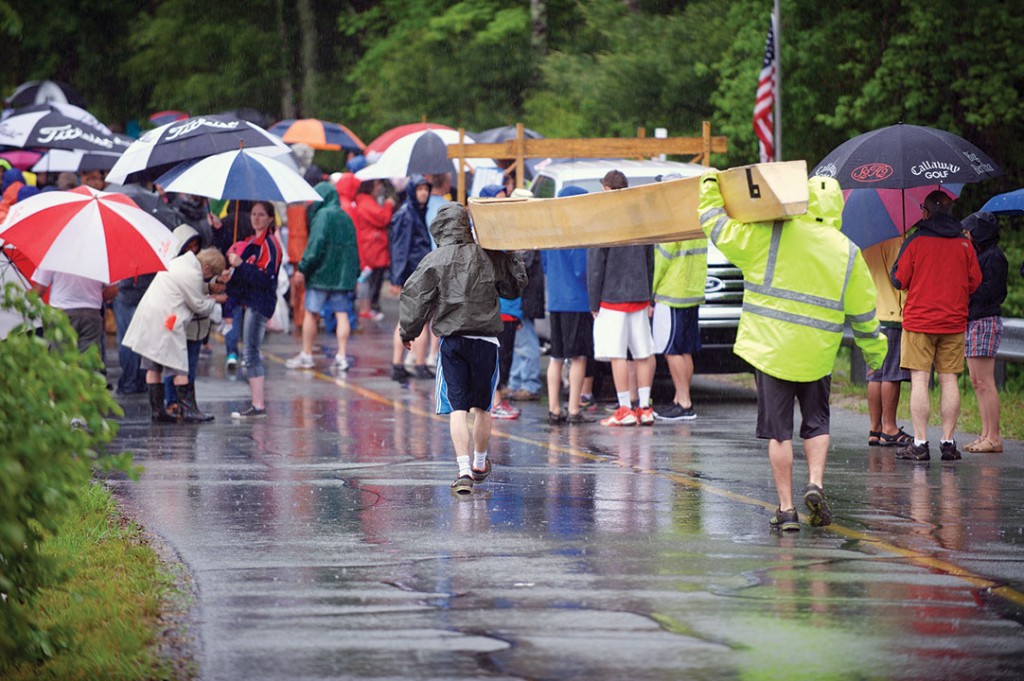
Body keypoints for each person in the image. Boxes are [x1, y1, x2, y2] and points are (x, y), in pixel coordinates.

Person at [699, 173, 887, 531]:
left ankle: (786, 509)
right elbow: (864, 314)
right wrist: (876, 356)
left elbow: (717, 227)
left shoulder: (771, 233)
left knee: (779, 432)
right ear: (837, 207)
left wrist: (709, 186)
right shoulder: (847, 251)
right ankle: (815, 482)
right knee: (816, 423)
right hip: (817, 355)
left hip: (772, 350)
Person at [398, 203, 526, 494]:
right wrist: (512, 255)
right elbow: (513, 288)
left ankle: (463, 471)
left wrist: (409, 331)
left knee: (457, 407)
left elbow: (415, 297)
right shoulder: (489, 255)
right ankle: (481, 462)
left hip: (452, 340)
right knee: (483, 406)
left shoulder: (435, 259)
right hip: (486, 340)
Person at [890, 191, 981, 462]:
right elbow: (975, 281)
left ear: (925, 212)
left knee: (920, 380)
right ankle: (948, 442)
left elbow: (899, 280)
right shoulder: (965, 243)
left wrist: (904, 250)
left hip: (919, 322)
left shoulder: (915, 241)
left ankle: (919, 443)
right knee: (949, 379)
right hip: (953, 322)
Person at [122, 245, 225, 423]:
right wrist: (214, 301)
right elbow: (198, 305)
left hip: (150, 315)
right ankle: (188, 411)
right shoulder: (192, 273)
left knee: (153, 366)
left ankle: (157, 411)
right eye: (210, 274)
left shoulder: (179, 262)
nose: (207, 277)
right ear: (207, 268)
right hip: (167, 321)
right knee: (179, 367)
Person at [588, 170, 657, 427]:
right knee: (643, 352)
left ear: (606, 189)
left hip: (611, 296)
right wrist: (649, 294)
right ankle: (646, 407)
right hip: (639, 293)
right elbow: (651, 260)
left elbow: (596, 264)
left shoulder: (602, 219)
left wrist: (593, 302)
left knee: (617, 354)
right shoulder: (641, 218)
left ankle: (625, 408)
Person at [285, 182, 360, 372]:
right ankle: (342, 355)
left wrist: (303, 268)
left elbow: (315, 246)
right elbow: (353, 250)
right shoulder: (345, 217)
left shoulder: (322, 216)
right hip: (341, 278)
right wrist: (354, 275)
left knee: (311, 313)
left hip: (320, 275)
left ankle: (307, 354)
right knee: (342, 314)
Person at [651, 173, 706, 421]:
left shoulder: (670, 219)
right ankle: (680, 398)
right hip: (691, 292)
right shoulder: (695, 216)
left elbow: (660, 260)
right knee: (684, 350)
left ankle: (683, 402)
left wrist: (649, 291)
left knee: (671, 350)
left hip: (671, 293)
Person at [223, 201, 283, 418]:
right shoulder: (252, 242)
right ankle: (256, 403)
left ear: (270, 218)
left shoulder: (270, 244)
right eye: (254, 214)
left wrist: (242, 265)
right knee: (249, 350)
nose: (256, 218)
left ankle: (258, 404)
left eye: (261, 215)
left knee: (250, 352)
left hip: (260, 303)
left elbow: (265, 279)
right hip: (250, 301)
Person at [162, 225, 225, 422]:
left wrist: (209, 286)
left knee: (182, 367)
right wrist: (214, 300)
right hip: (185, 326)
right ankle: (177, 404)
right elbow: (196, 301)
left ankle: (179, 405)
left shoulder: (186, 268)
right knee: (181, 368)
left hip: (193, 328)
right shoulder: (188, 270)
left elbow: (197, 288)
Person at [543, 185, 594, 425]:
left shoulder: (551, 230)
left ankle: (554, 408)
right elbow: (582, 269)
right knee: (578, 357)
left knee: (556, 356)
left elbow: (544, 265)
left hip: (556, 299)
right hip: (578, 300)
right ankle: (573, 408)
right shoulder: (578, 232)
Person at [962, 211, 1008, 453]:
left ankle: (994, 437)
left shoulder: (994, 257)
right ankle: (985, 434)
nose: (966, 236)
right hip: (974, 320)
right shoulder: (980, 255)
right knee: (977, 381)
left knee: (986, 382)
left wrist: (966, 292)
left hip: (985, 320)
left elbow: (992, 291)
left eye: (969, 232)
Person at [861, 237, 913, 448]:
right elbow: (900, 278)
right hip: (892, 315)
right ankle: (890, 427)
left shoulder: (864, 240)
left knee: (875, 374)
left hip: (871, 314)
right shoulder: (894, 240)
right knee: (891, 374)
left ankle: (875, 429)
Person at [389, 175, 433, 382]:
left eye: (426, 188)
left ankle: (402, 364)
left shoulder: (417, 212)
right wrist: (397, 279)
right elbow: (399, 248)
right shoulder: (406, 214)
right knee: (418, 320)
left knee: (412, 319)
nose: (424, 192)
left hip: (418, 273)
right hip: (412, 275)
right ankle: (415, 364)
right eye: (419, 189)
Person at [352, 178, 395, 321]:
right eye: (377, 184)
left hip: (374, 247)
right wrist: (389, 205)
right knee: (372, 281)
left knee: (372, 280)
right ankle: (369, 307)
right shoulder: (366, 203)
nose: (379, 188)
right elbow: (383, 218)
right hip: (373, 248)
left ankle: (369, 307)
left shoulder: (364, 201)